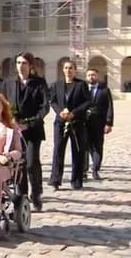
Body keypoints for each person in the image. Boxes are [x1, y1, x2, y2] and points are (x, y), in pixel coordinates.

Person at [4, 52, 49, 211]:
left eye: (24, 63)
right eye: (18, 62)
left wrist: (30, 123)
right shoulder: (10, 83)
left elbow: (44, 107)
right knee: (19, 165)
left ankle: (36, 194)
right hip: (16, 131)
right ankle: (21, 196)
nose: (20, 66)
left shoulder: (39, 83)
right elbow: (5, 104)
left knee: (31, 163)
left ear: (31, 66)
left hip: (33, 130)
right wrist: (11, 120)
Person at [49, 60, 91, 190]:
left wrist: (74, 113)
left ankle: (76, 180)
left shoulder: (81, 84)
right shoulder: (57, 85)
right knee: (58, 150)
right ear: (63, 70)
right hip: (60, 122)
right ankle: (55, 179)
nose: (68, 70)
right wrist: (59, 112)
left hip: (76, 122)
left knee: (78, 151)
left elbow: (87, 101)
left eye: (71, 68)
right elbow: (53, 101)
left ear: (75, 70)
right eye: (66, 68)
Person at [84, 68, 114, 180]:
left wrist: (109, 123)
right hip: (84, 123)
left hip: (99, 123)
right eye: (89, 75)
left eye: (93, 75)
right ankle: (83, 170)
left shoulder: (105, 90)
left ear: (97, 76)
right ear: (86, 77)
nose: (91, 77)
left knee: (97, 147)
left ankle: (95, 169)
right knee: (84, 147)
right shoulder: (82, 89)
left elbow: (110, 107)